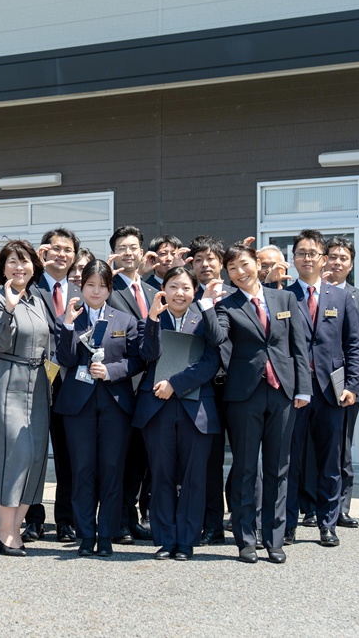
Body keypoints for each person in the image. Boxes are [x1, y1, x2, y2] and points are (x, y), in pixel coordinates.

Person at [199, 244, 311, 564]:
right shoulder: (227, 304)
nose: (240, 272)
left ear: (257, 263)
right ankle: (246, 539)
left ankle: (274, 539)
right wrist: (208, 303)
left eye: (244, 265)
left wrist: (303, 388)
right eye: (232, 268)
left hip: (283, 393)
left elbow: (298, 347)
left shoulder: (284, 298)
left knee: (279, 468)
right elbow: (217, 338)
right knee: (246, 469)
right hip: (243, 396)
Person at [0, 241, 52, 556]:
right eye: (13, 262)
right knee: (13, 454)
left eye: (26, 261)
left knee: (33, 455)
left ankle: (15, 527)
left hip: (38, 382)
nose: (20, 267)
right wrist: (10, 308)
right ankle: (5, 531)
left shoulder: (39, 299)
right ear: (2, 268)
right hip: (6, 379)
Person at [56, 259, 142, 557]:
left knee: (111, 469)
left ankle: (106, 535)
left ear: (109, 289)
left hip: (114, 403)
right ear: (81, 286)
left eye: (102, 286)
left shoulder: (125, 320)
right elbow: (64, 359)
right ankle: (85, 536)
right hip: (78, 405)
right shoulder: (69, 317)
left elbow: (137, 360)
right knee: (82, 470)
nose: (95, 291)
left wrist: (111, 371)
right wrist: (67, 324)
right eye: (90, 285)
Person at [135, 267, 221, 561]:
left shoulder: (205, 319)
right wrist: (152, 319)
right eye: (173, 287)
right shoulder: (151, 318)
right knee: (161, 476)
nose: (179, 293)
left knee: (194, 477)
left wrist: (175, 384)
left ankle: (187, 540)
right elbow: (147, 355)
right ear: (163, 289)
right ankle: (165, 538)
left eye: (185, 287)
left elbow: (212, 361)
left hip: (195, 408)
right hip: (157, 409)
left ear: (194, 291)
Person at [284, 230, 359, 548]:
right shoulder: (283, 296)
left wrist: (352, 385)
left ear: (323, 259)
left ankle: (327, 524)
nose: (307, 258)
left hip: (332, 392)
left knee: (330, 462)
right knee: (290, 462)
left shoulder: (341, 297)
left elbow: (352, 345)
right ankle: (285, 526)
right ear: (294, 258)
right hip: (294, 393)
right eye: (301, 253)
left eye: (312, 253)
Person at [22, 228, 81, 543]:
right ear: (44, 253)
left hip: (68, 384)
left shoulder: (81, 291)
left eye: (68, 250)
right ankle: (33, 518)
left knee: (66, 456)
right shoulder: (29, 288)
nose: (62, 254)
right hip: (34, 381)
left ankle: (65, 519)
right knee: (33, 454)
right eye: (55, 248)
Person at [105, 225, 156, 545]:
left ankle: (134, 516)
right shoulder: (107, 289)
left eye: (133, 247)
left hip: (152, 386)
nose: (128, 252)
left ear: (141, 252)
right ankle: (118, 521)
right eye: (122, 247)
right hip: (121, 383)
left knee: (141, 458)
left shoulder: (153, 292)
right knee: (120, 457)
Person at [187, 235, 235, 546]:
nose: (205, 264)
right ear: (190, 264)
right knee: (209, 461)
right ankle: (211, 523)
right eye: (199, 260)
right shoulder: (187, 298)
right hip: (203, 389)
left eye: (211, 259)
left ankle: (246, 521)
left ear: (221, 264)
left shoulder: (236, 296)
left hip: (238, 388)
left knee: (246, 459)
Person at [324, 236, 359, 529]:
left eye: (343, 258)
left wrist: (342, 376)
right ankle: (311, 507)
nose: (337, 262)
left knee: (341, 448)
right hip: (311, 382)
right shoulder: (310, 293)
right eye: (332, 256)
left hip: (345, 384)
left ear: (351, 263)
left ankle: (340, 508)